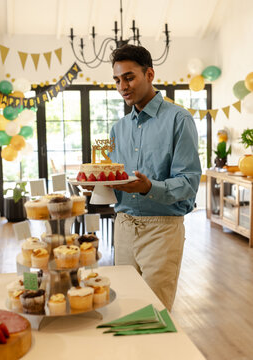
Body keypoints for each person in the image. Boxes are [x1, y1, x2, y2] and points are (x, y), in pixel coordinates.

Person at [107, 44, 201, 311]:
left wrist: (150, 187)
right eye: (117, 80)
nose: (122, 86)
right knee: (124, 308)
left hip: (162, 229)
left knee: (154, 314)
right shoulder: (118, 129)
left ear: (149, 75)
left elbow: (190, 182)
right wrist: (98, 186)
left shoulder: (179, 120)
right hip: (123, 227)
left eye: (129, 77)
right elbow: (117, 182)